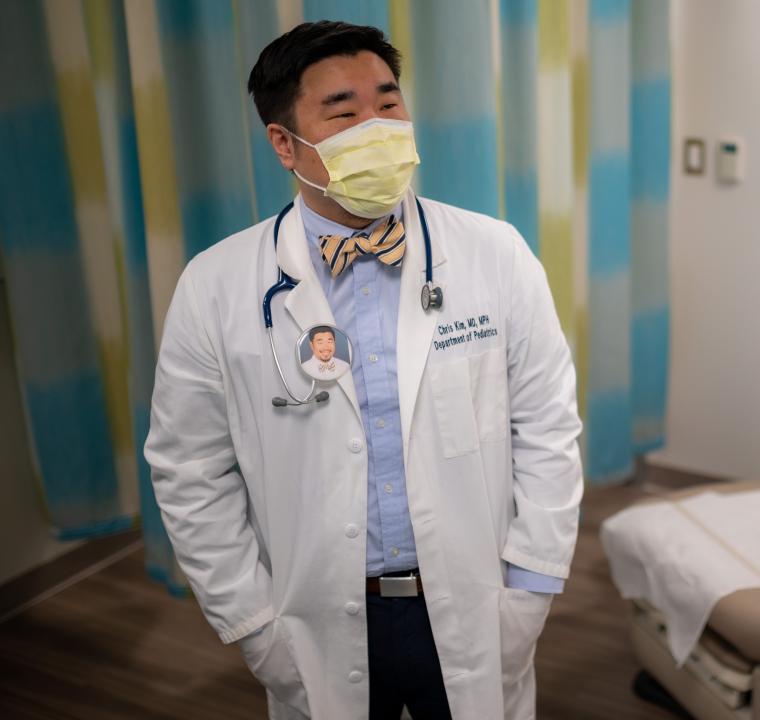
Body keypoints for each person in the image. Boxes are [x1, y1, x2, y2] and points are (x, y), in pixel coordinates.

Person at [144, 20, 583, 720]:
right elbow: (189, 471)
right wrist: (255, 625)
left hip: (475, 603)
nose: (377, 126)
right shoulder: (217, 286)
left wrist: (528, 591)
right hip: (314, 617)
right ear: (285, 144)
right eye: (344, 112)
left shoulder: (493, 254)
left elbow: (550, 429)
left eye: (388, 101)